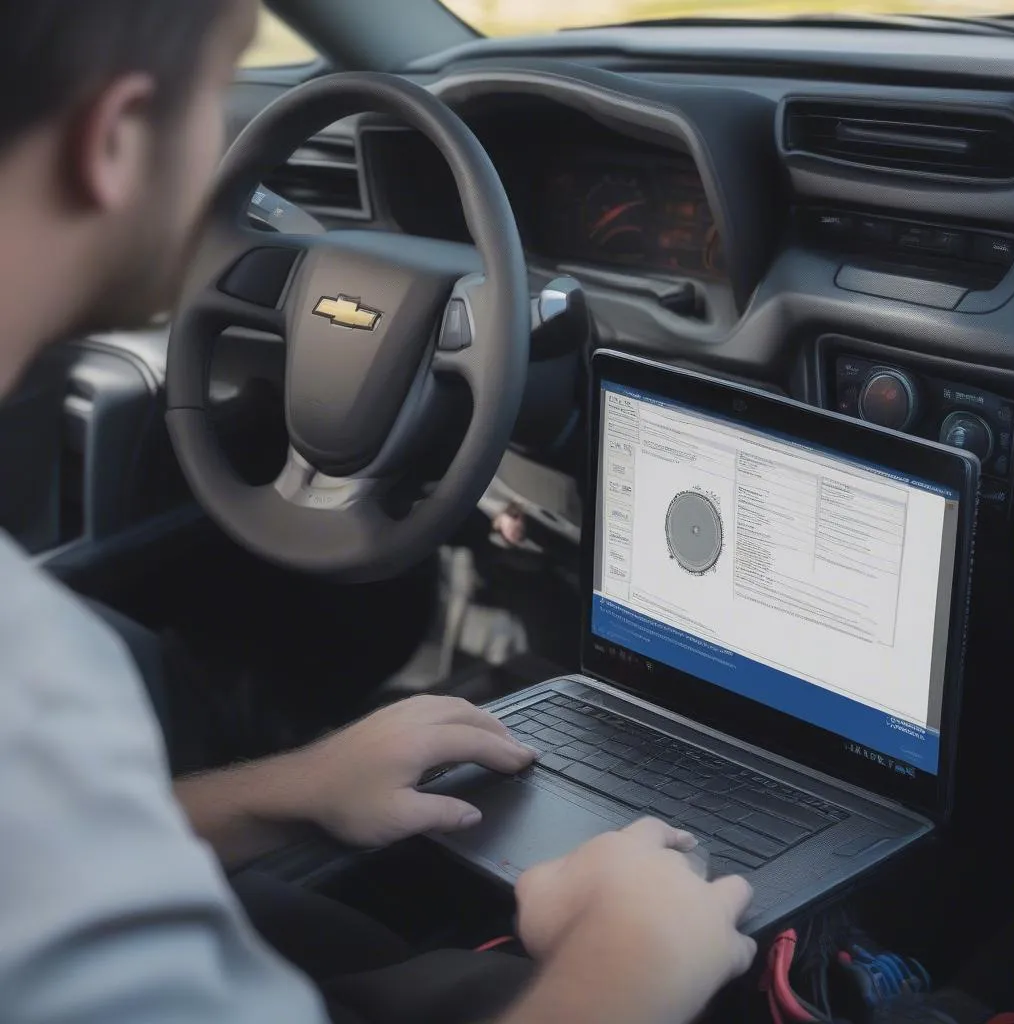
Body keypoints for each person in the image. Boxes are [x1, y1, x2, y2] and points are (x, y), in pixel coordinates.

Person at [0, 2, 758, 1022]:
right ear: (114, 138)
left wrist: (291, 787)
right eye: (216, 93)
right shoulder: (36, 687)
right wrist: (625, 968)